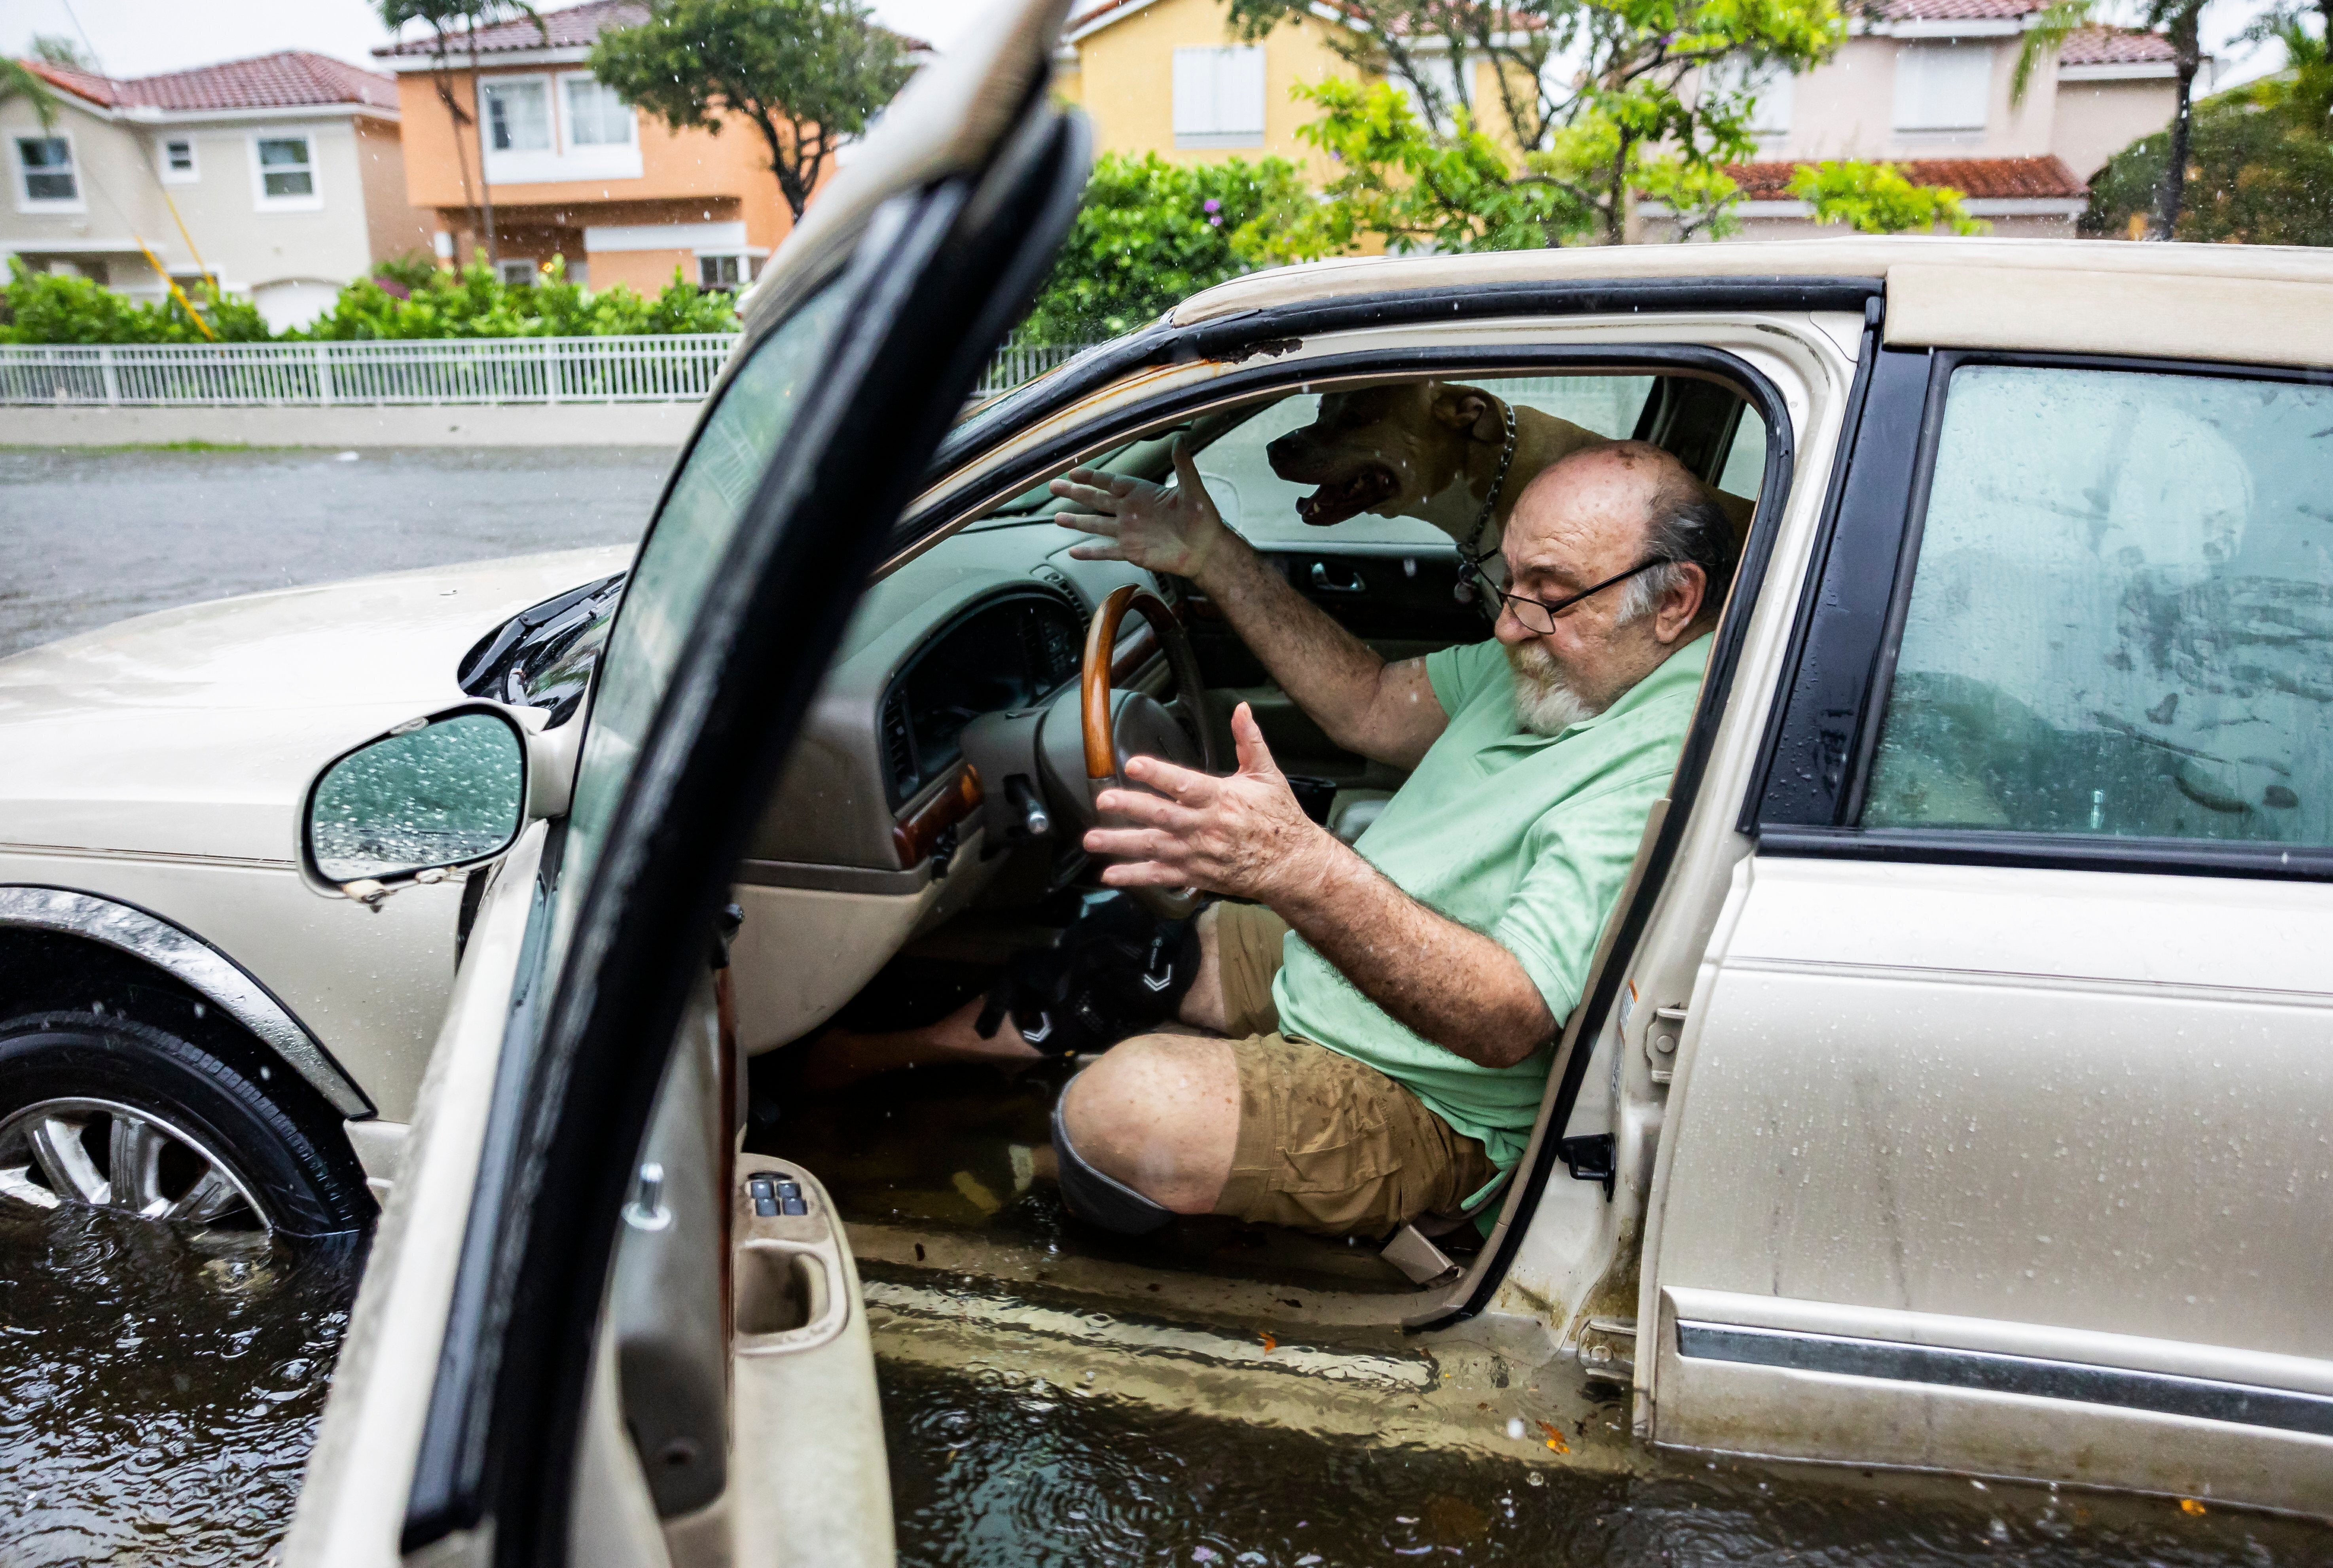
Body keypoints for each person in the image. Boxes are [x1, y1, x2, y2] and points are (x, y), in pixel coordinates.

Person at [809, 434, 1736, 1239]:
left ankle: (1020, 1169)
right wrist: (1214, 556)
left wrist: (1299, 867)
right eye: (1507, 580)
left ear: (1673, 601)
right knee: (1132, 947)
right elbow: (1371, 702)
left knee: (1121, 1111)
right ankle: (887, 1053)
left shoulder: (1670, 752)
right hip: (1355, 969)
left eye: (1548, 594)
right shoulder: (1564, 660)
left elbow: (1507, 1018)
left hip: (1435, 1099)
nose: (1506, 623)